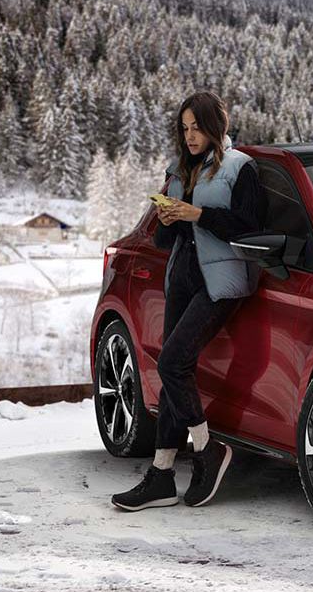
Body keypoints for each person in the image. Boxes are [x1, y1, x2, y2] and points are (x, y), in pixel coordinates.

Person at [111, 90, 268, 512]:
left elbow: (249, 228)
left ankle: (208, 448)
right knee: (173, 376)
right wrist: (168, 219)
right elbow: (167, 239)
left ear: (218, 126)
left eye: (197, 127)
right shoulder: (179, 170)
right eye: (184, 129)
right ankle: (162, 476)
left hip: (220, 280)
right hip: (180, 276)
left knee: (171, 363)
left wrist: (198, 214)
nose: (190, 136)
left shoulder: (240, 169)